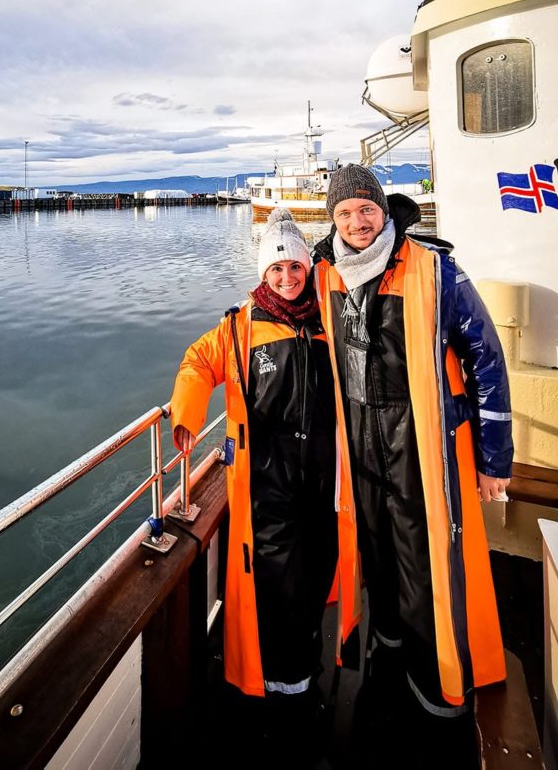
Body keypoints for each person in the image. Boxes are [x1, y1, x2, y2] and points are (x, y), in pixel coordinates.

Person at [311, 165, 513, 765]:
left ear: (382, 209)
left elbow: (486, 355)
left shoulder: (433, 267)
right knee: (376, 548)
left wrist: (493, 459)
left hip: (419, 439)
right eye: (344, 213)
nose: (356, 221)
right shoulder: (328, 273)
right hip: (362, 439)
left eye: (365, 209)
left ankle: (435, 691)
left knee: (423, 558)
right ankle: (391, 650)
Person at [169, 208, 359, 756]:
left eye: (294, 267)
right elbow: (196, 362)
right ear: (264, 272)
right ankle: (286, 700)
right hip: (269, 492)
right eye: (276, 269)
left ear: (306, 267)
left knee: (315, 583)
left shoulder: (329, 318)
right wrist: (186, 412)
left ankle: (302, 683)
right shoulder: (240, 327)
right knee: (279, 594)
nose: (286, 277)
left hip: (323, 489)